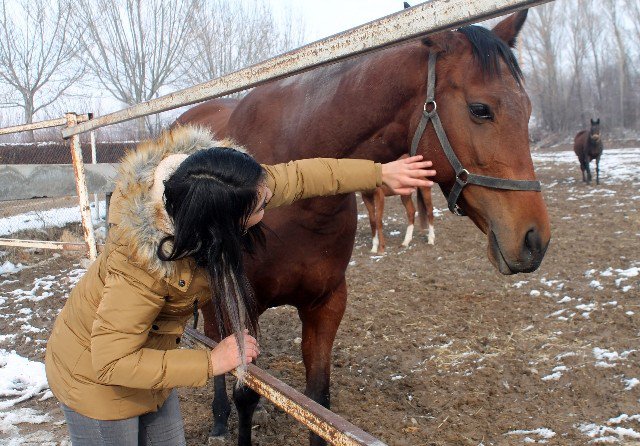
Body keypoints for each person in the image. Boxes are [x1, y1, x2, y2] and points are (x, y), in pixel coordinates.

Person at [45, 125, 435, 445]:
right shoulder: (141, 271)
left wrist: (379, 173)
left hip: (148, 361)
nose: (269, 200)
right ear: (222, 224)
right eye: (260, 206)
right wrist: (212, 362)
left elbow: (299, 177)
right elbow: (112, 361)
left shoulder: (222, 184)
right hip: (96, 382)